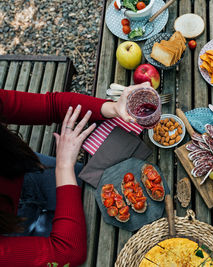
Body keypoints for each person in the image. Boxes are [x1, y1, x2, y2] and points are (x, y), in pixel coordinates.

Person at [0, 83, 149, 267]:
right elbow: (67, 252)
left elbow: (51, 105)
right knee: (99, 240)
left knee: (99, 190)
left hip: (21, 171)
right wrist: (64, 167)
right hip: (11, 233)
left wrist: (112, 107)